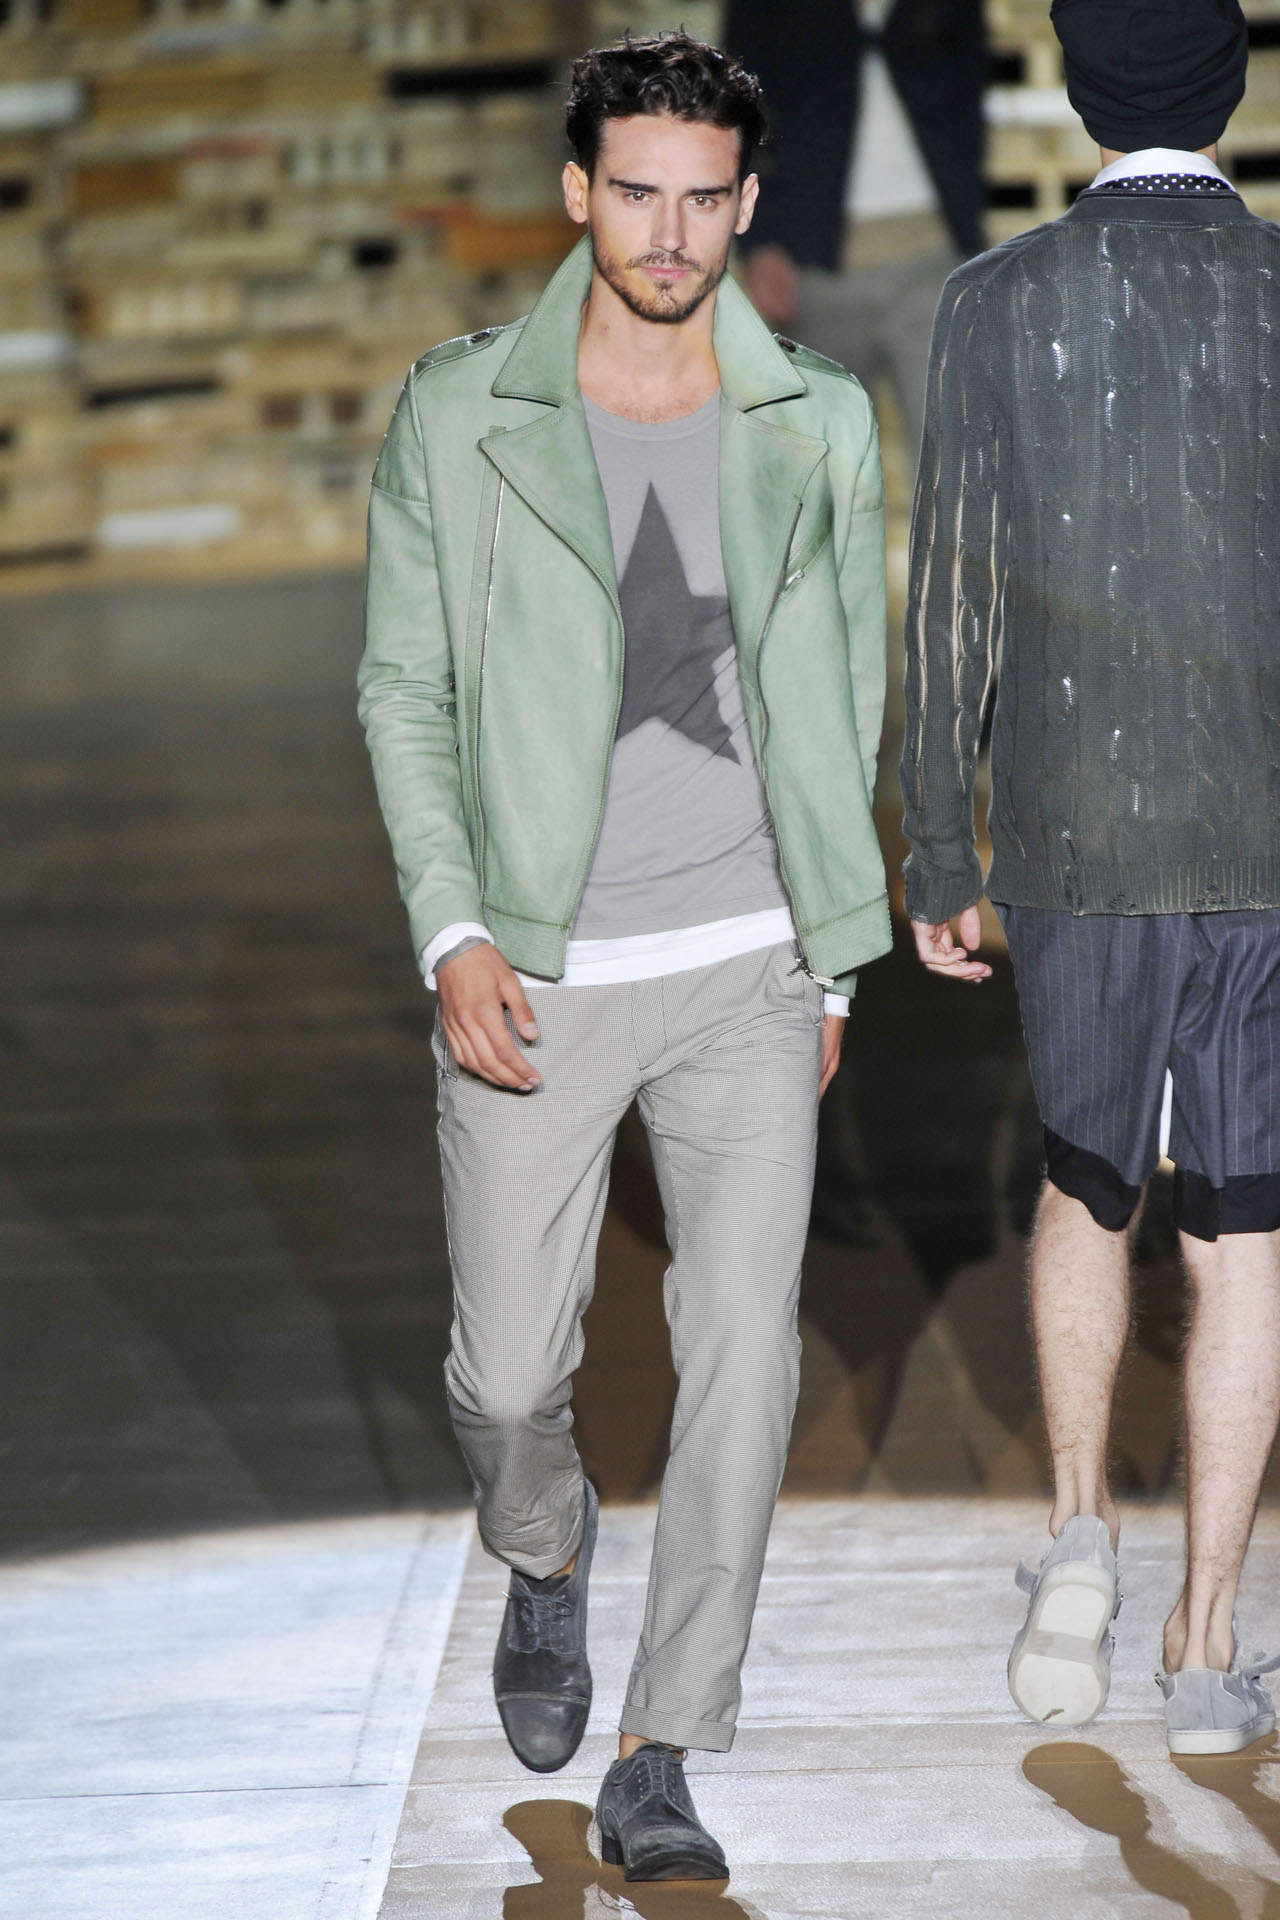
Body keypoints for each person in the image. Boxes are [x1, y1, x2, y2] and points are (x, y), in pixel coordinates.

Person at [358, 32, 891, 1880]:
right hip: (536, 963)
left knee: (746, 1358)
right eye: (638, 191)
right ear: (579, 190)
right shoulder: (458, 414)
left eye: (705, 197)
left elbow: (845, 691)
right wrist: (451, 929)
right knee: (508, 1382)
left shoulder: (816, 419)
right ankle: (549, 1543)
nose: (671, 234)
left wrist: (833, 958)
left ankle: (666, 1748)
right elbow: (403, 690)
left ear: (745, 202)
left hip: (749, 959)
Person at [901, 0, 1280, 1757]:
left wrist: (937, 844)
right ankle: (1208, 1651)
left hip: (1071, 829)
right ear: (1233, 87)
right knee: (1249, 1234)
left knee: (1085, 1181)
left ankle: (1077, 1529)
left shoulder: (999, 303)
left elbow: (954, 593)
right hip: (1268, 839)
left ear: (1074, 89)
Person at [725, 0, 986, 481]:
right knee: (828, 475)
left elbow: (971, 83)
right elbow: (743, 111)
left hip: (937, 256)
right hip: (814, 267)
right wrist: (760, 243)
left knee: (956, 474)